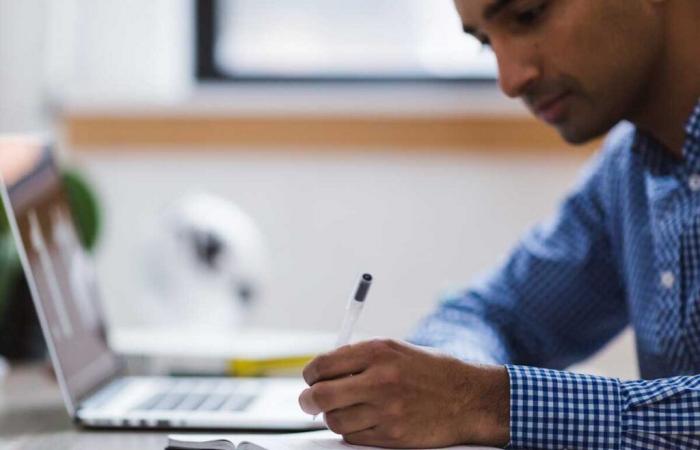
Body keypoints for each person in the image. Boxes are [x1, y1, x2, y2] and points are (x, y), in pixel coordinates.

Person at [298, 0, 700, 448]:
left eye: (528, 15)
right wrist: (443, 385)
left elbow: (479, 395)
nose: (510, 81)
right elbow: (492, 315)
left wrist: (486, 402)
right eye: (486, 43)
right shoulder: (629, 169)